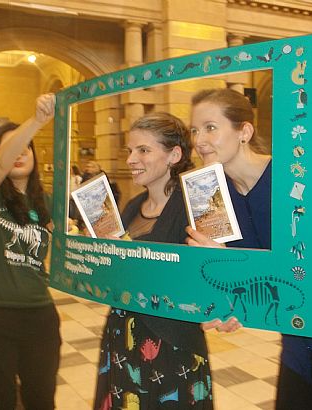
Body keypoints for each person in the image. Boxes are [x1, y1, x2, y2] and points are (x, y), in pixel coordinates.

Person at [185, 88, 312, 410]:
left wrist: (231, 264)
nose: (199, 140)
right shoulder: (212, 194)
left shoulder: (295, 180)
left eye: (211, 127)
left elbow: (303, 274)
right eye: (195, 129)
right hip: (301, 352)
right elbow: (242, 284)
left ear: (245, 131)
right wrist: (227, 308)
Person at [93, 112, 214, 409]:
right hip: (123, 336)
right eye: (130, 151)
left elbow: (212, 275)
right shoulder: (133, 207)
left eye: (143, 150)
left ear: (174, 154)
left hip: (172, 343)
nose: (131, 159)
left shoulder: (196, 205)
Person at [0, 94, 60, 410]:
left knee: (41, 400)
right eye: (10, 147)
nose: (20, 152)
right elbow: (0, 165)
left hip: (40, 315)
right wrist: (36, 122)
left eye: (26, 146)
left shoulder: (47, 202)